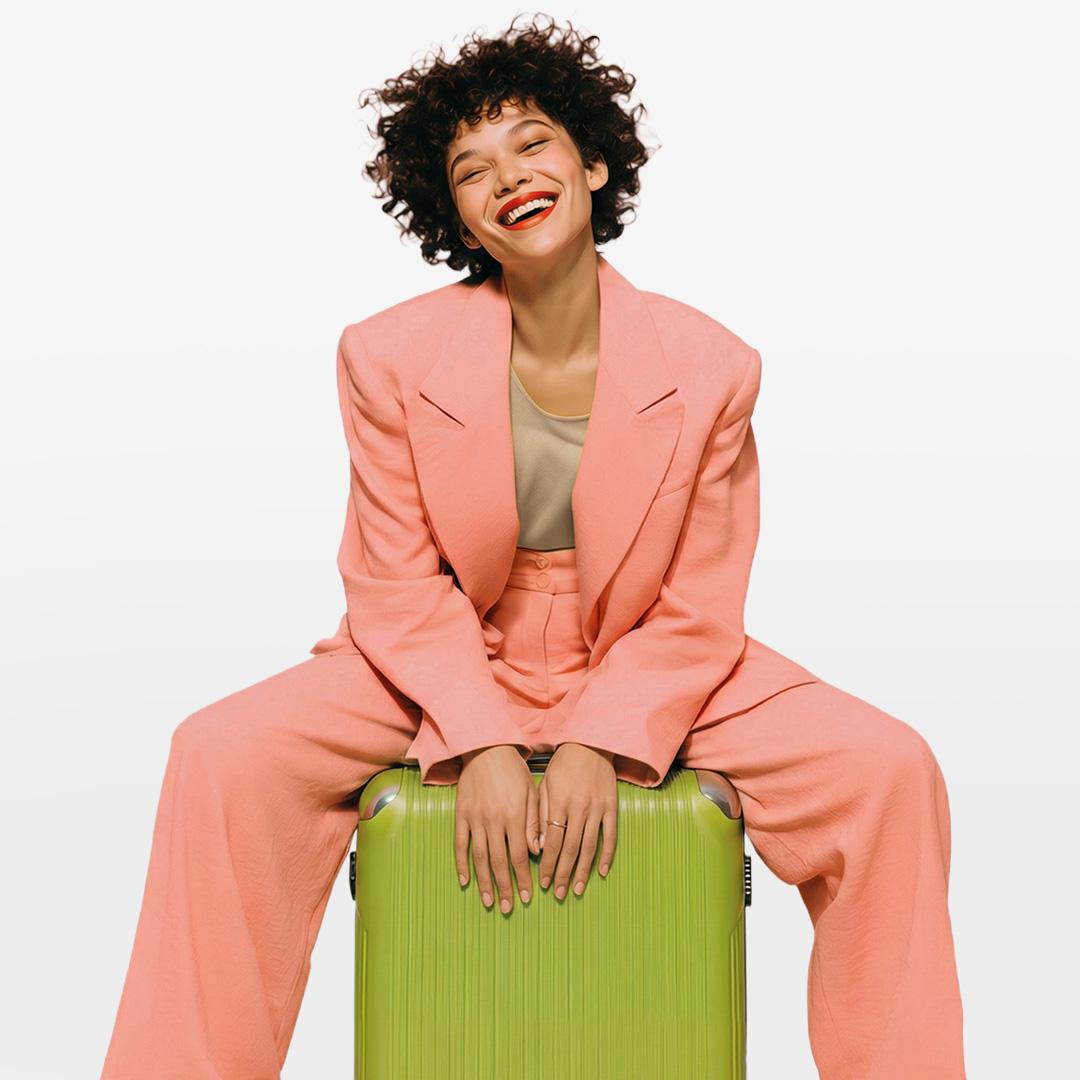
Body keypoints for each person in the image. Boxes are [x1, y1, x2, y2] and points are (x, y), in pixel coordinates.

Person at [100, 15, 966, 1080]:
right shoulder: (385, 356)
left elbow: (700, 605)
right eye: (470, 168)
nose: (507, 174)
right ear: (452, 212)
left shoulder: (714, 365)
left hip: (646, 647)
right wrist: (480, 738)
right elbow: (393, 581)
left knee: (889, 770)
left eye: (533, 142)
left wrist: (605, 737)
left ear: (594, 161)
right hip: (445, 645)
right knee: (219, 753)